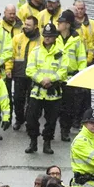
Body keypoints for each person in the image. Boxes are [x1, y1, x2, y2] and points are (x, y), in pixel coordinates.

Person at [24, 23, 68, 155]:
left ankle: (47, 142)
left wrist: (51, 79)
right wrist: (41, 80)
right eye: (45, 36)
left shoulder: (61, 53)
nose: (47, 38)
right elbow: (30, 70)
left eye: (50, 36)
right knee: (31, 118)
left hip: (53, 93)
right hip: (37, 91)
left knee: (51, 120)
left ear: (55, 37)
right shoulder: (36, 52)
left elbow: (63, 71)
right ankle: (33, 141)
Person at [56, 10, 87, 142]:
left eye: (61, 22)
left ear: (67, 24)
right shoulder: (54, 37)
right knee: (55, 107)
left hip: (70, 78)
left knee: (68, 107)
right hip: (56, 77)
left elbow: (81, 59)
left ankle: (65, 130)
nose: (58, 24)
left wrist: (80, 76)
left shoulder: (76, 40)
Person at [11, 16, 40, 130]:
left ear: (35, 27)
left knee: (32, 101)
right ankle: (19, 119)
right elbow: (11, 54)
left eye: (28, 25)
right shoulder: (17, 38)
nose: (25, 26)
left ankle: (30, 121)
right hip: (19, 73)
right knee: (18, 99)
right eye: (25, 24)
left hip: (34, 75)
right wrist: (9, 69)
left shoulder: (40, 40)